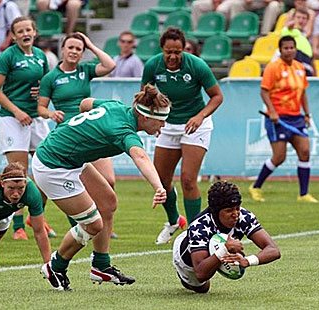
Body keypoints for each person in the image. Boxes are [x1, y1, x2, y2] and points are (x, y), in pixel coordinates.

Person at [35, 85, 169, 290]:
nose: (163, 125)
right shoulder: (123, 130)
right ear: (145, 117)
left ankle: (101, 266)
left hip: (69, 159)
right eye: (161, 120)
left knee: (108, 202)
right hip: (53, 166)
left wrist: (83, 133)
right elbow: (141, 157)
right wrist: (159, 187)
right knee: (93, 225)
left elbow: (85, 104)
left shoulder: (116, 106)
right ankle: (55, 266)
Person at [141, 27, 224, 245]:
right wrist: (153, 120)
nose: (173, 56)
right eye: (169, 51)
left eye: (177, 52)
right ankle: (173, 221)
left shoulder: (196, 65)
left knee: (188, 179)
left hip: (196, 125)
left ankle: (195, 231)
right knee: (161, 180)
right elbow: (145, 96)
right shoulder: (152, 66)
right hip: (168, 125)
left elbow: (217, 97)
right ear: (162, 49)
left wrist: (200, 116)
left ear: (183, 49)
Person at [37, 32, 121, 241]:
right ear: (62, 50)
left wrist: (91, 45)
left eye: (78, 49)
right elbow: (40, 107)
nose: (74, 51)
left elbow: (110, 65)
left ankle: (101, 223)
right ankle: (83, 224)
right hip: (68, 138)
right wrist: (51, 114)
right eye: (71, 47)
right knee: (73, 184)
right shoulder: (51, 78)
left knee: (108, 181)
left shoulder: (85, 70)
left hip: (92, 132)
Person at [0, 16, 56, 240]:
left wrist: (43, 98)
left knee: (48, 169)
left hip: (36, 119)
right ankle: (18, 227)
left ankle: (36, 217)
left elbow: (45, 85)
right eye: (20, 31)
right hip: (12, 119)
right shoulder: (8, 56)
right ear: (14, 36)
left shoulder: (40, 56)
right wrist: (17, 111)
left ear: (34, 32)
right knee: (19, 173)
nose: (25, 33)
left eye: (29, 29)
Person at [172, 181, 281, 293]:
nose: (235, 214)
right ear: (215, 212)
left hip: (214, 247)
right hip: (186, 259)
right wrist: (224, 249)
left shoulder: (243, 216)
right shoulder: (199, 227)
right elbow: (200, 273)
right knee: (203, 288)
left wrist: (248, 261)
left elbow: (273, 250)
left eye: (237, 208)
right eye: (229, 210)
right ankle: (184, 279)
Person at [248, 35, 318, 203]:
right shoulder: (273, 68)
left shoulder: (300, 67)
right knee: (279, 157)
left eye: (292, 47)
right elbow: (264, 91)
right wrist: (272, 112)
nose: (289, 50)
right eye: (286, 48)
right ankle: (256, 187)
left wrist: (307, 114)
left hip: (296, 117)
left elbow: (303, 93)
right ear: (280, 50)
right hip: (277, 119)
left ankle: (303, 194)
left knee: (305, 151)